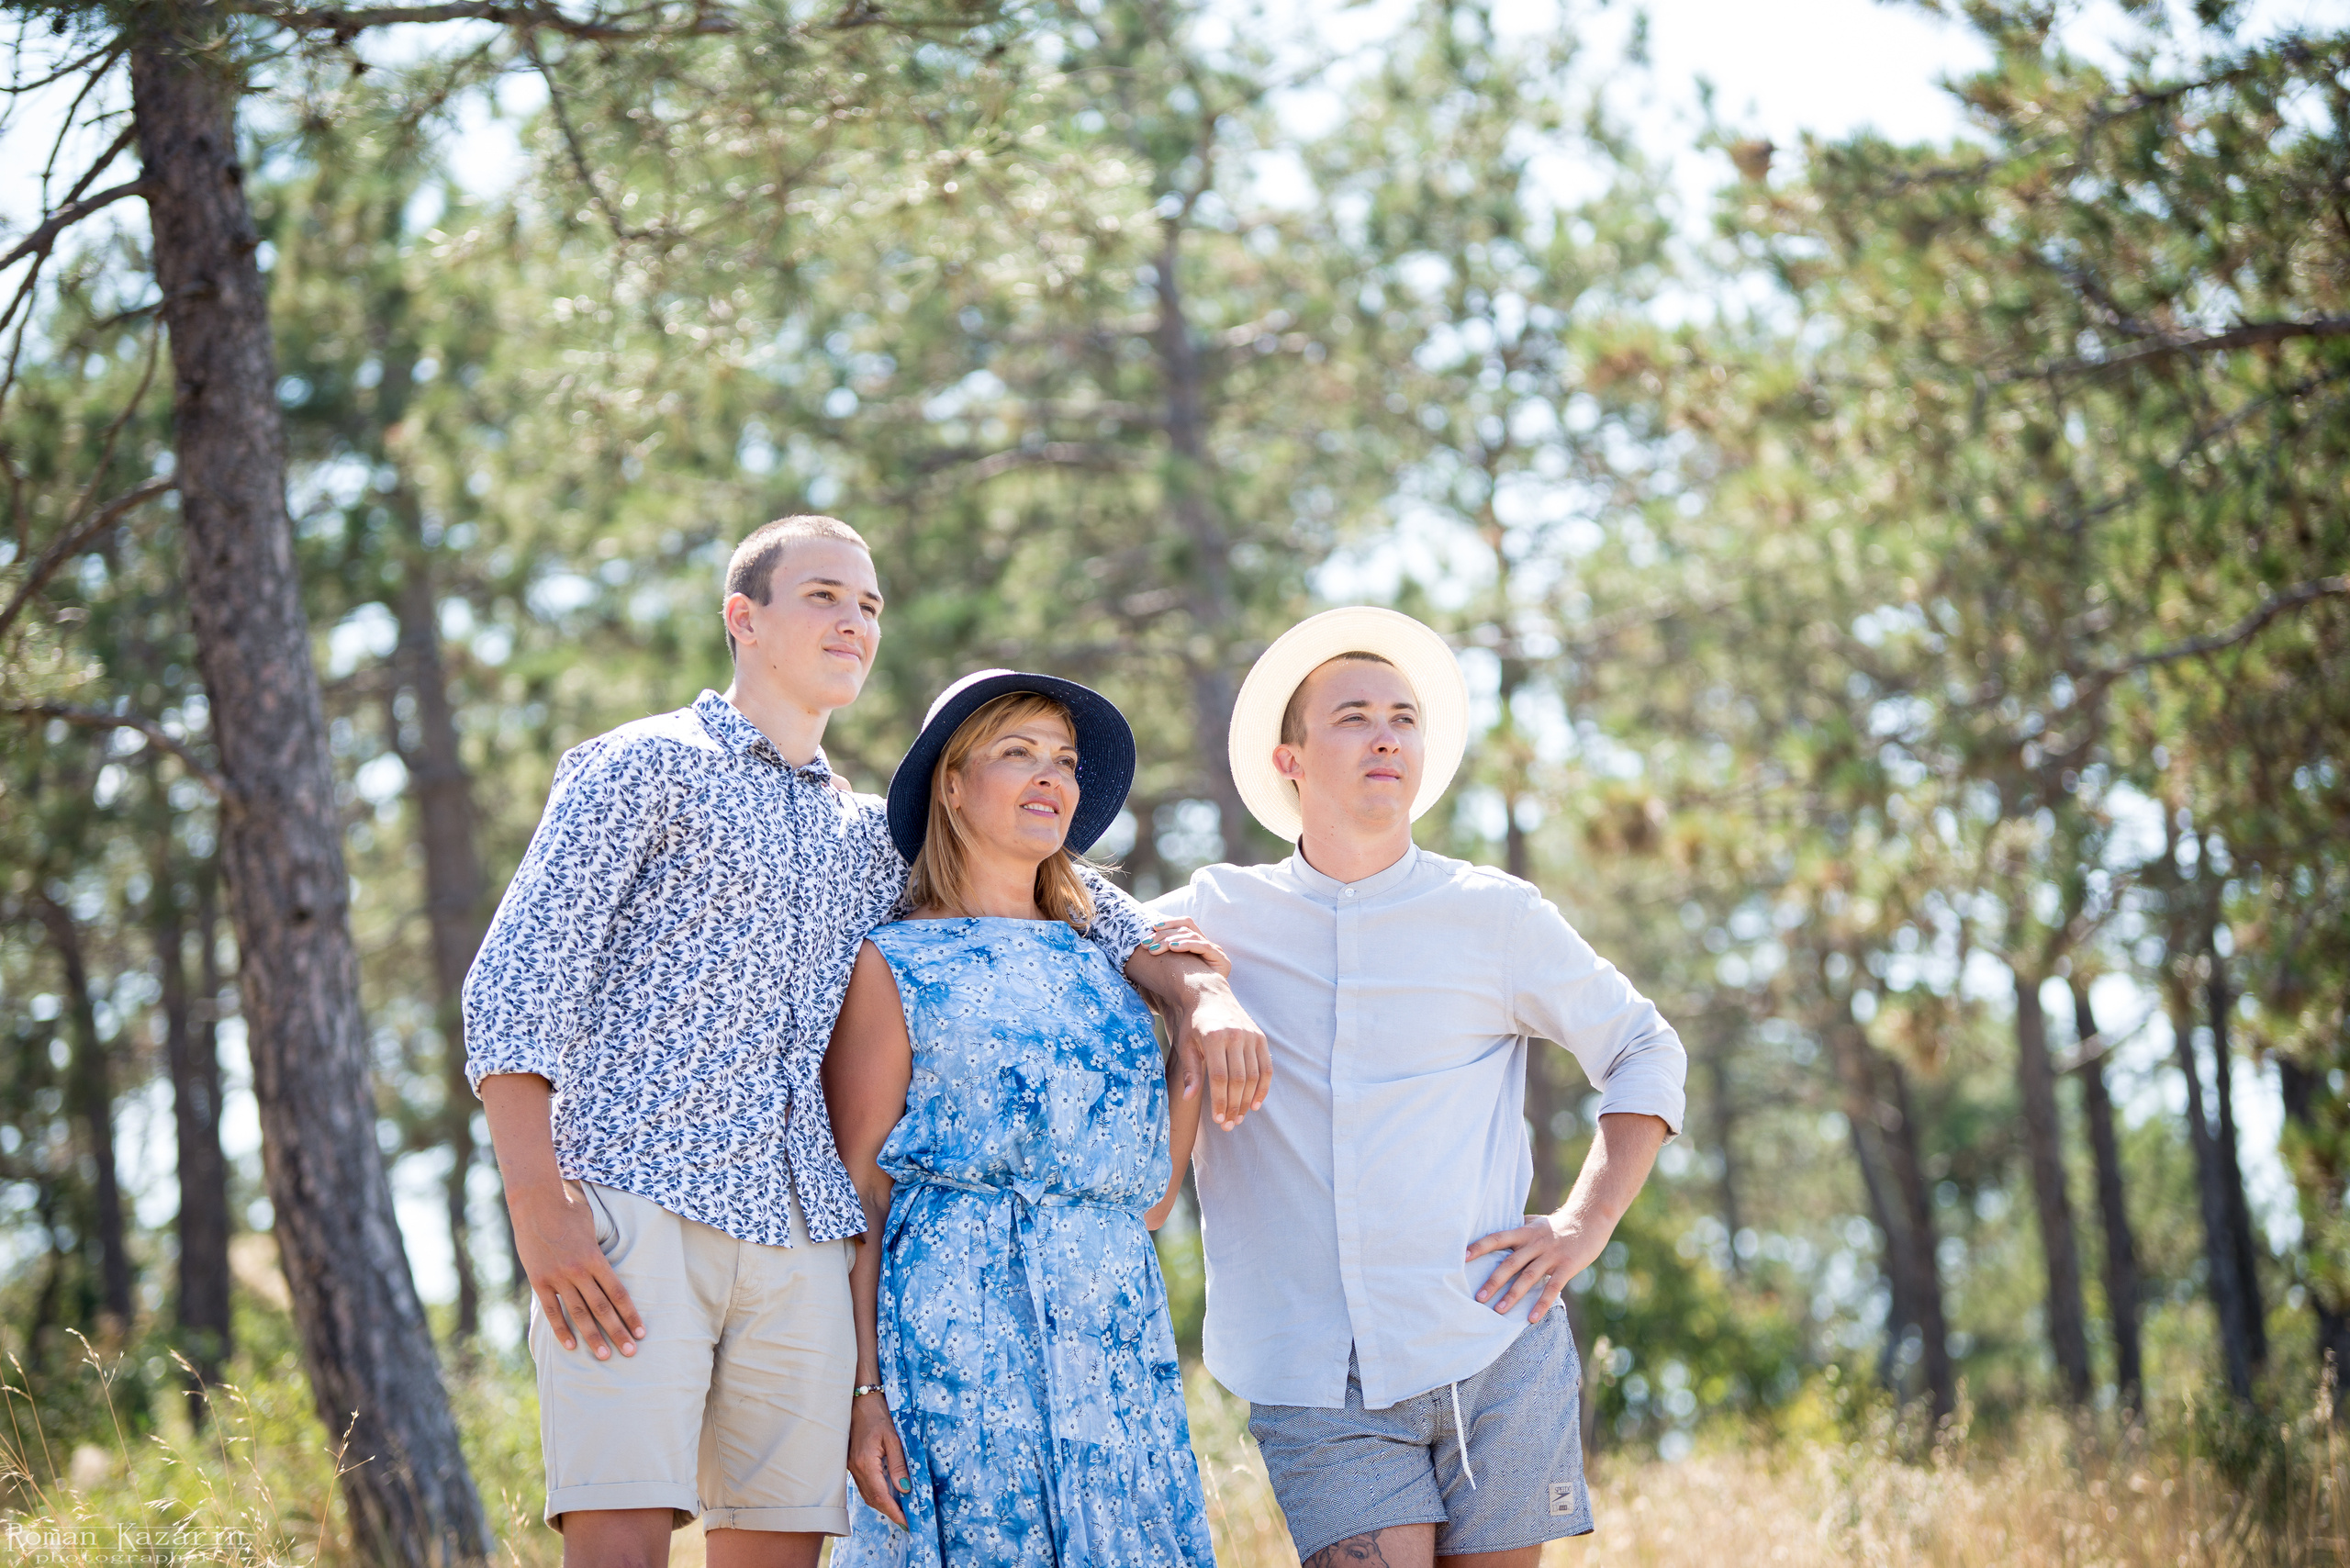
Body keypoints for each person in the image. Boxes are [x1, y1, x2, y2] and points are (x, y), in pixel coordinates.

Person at [462, 516, 1267, 1568]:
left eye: (870, 605)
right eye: (824, 596)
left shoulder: (864, 838)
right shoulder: (642, 764)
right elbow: (515, 982)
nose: (854, 621)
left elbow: (1069, 898)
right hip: (639, 1199)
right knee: (620, 1535)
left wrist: (1195, 986)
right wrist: (538, 1202)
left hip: (802, 1234)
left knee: (783, 1545)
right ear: (743, 619)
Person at [1147, 606, 1688, 1568]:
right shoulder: (1219, 910)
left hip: (1496, 1346)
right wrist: (1200, 987)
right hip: (1313, 1374)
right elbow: (1085, 922)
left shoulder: (1494, 914)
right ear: (1289, 760)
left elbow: (1643, 1045)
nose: (1387, 735)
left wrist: (1584, 1224)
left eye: (1403, 717)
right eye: (1353, 716)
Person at [823, 670, 1220, 1568]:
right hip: (955, 1341)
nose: (1051, 776)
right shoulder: (895, 959)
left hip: (1112, 1343)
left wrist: (1194, 1035)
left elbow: (1150, 1200)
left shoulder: (1106, 968)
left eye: (1065, 761)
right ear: (952, 785)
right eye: (1017, 752)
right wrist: (862, 1394)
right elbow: (860, 1197)